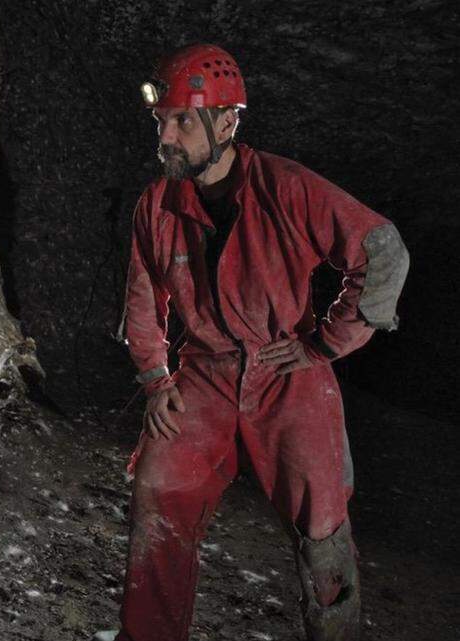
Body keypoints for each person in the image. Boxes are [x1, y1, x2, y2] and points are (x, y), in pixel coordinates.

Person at [112, 44, 410, 641]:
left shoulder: (286, 185)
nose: (165, 136)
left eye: (181, 121)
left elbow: (381, 250)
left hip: (286, 371)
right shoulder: (159, 202)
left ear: (227, 122)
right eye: (161, 121)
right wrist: (154, 378)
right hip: (204, 371)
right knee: (159, 487)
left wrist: (326, 344)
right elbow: (144, 299)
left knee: (322, 523)